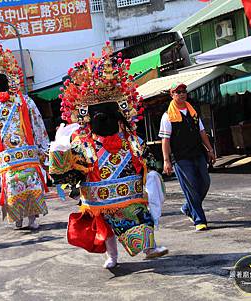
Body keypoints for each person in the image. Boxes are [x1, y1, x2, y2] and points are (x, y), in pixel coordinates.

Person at [49, 44, 168, 269]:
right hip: (99, 195)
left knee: (139, 216)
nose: (102, 119)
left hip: (128, 192)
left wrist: (153, 170)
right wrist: (70, 185)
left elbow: (147, 159)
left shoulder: (129, 139)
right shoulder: (82, 142)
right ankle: (112, 256)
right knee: (106, 227)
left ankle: (149, 247)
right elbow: (65, 171)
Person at [0, 40, 49, 229]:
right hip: (20, 154)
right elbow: (38, 126)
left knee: (18, 186)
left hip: (14, 155)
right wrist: (43, 151)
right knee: (26, 184)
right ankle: (28, 218)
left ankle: (22, 219)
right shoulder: (21, 102)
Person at [159, 83, 216, 232]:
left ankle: (187, 207)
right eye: (178, 92)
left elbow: (202, 132)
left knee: (205, 182)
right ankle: (199, 220)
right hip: (181, 157)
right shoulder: (167, 116)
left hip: (198, 153)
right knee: (191, 187)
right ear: (172, 94)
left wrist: (210, 149)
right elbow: (165, 140)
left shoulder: (193, 112)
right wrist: (166, 160)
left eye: (184, 91)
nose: (182, 94)